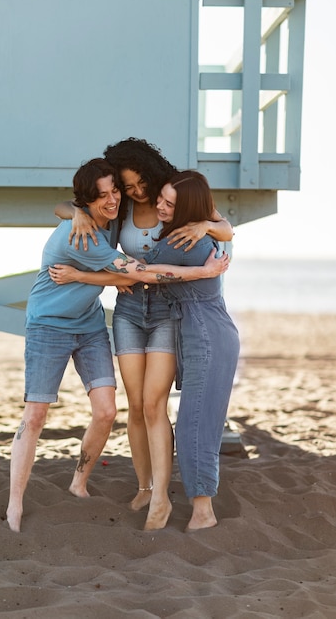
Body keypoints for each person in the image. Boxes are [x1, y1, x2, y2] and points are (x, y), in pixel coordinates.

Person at [6, 157, 229, 532]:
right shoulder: (87, 231)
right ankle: (16, 504)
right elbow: (134, 271)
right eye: (108, 194)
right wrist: (202, 273)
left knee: (123, 409)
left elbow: (222, 228)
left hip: (101, 322)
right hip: (63, 324)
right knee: (43, 414)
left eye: (118, 190)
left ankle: (105, 486)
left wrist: (209, 227)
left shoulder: (122, 216)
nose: (116, 199)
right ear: (88, 201)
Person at [150, 170, 240, 531]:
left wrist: (83, 274)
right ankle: (203, 507)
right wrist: (210, 224)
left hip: (206, 335)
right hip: (211, 331)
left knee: (196, 423)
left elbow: (142, 271)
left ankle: (203, 512)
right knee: (203, 421)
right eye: (160, 198)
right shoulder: (196, 232)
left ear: (187, 208)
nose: (160, 206)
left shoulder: (184, 242)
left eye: (170, 204)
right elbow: (225, 226)